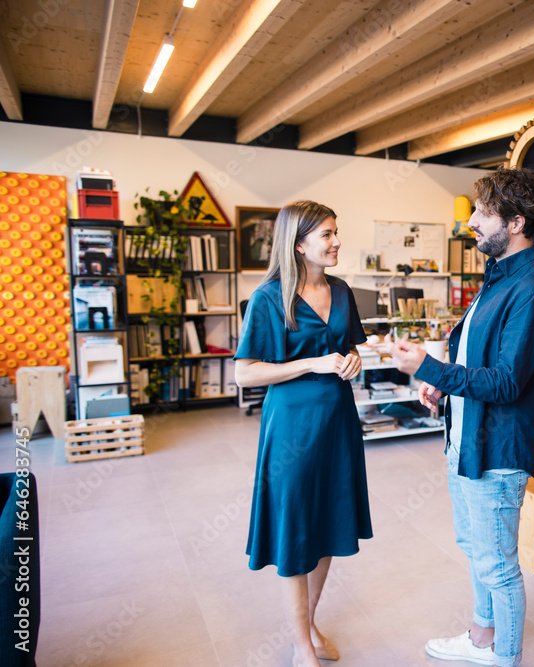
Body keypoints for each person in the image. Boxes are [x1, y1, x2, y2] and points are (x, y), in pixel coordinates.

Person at [391, 167, 534, 667]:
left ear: (514, 223)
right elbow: (477, 362)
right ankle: (480, 638)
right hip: (466, 440)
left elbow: (508, 383)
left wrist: (428, 367)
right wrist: (440, 384)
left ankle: (503, 656)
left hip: (497, 450)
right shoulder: (497, 278)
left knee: (499, 566)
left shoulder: (532, 289)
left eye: (482, 214)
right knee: (477, 550)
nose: (470, 222)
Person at [234, 200, 371, 667]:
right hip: (291, 425)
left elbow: (349, 346)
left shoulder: (343, 291)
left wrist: (352, 360)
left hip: (338, 420)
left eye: (336, 232)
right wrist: (313, 363)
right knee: (295, 530)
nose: (336, 242)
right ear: (299, 244)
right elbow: (245, 374)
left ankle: (308, 624)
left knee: (330, 523)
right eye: (327, 234)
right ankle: (298, 644)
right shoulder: (269, 298)